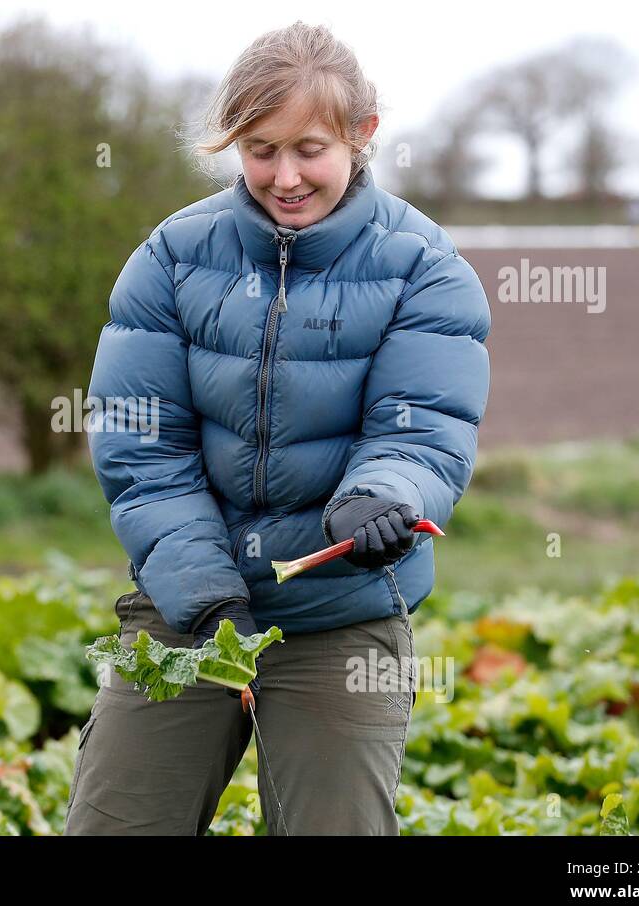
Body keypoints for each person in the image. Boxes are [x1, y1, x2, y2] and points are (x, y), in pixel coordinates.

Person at [67, 22, 491, 835]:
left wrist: (381, 493)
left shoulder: (424, 268)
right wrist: (204, 594)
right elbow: (139, 440)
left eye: (309, 149)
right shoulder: (172, 257)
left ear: (362, 136)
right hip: (186, 610)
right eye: (260, 150)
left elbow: (426, 426)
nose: (285, 176)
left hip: (341, 612)